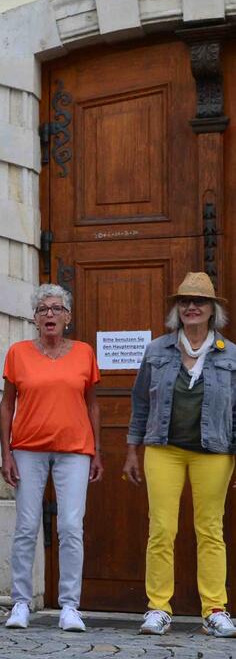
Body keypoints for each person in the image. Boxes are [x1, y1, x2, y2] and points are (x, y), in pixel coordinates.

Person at [124, 272, 236, 638]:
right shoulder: (157, 350)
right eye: (185, 301)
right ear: (177, 309)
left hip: (214, 452)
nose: (191, 307)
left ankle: (215, 609)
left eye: (199, 301)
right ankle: (158, 607)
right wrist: (131, 449)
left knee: (210, 530)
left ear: (212, 310)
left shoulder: (230, 355)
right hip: (163, 449)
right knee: (161, 529)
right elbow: (140, 402)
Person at [0, 283, 102, 633]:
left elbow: (92, 404)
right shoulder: (18, 353)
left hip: (75, 449)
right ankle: (21, 603)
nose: (49, 315)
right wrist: (5, 452)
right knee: (26, 527)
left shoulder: (84, 352)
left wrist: (97, 450)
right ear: (34, 317)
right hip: (28, 448)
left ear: (68, 317)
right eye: (43, 309)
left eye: (57, 309)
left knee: (71, 527)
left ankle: (70, 606)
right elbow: (6, 404)